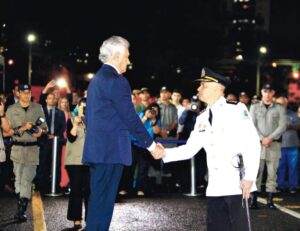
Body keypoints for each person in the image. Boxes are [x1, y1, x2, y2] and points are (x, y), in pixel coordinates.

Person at [160, 67, 261, 231]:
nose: (198, 89)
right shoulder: (202, 117)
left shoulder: (236, 109)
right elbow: (190, 149)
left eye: (203, 85)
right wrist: (164, 153)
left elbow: (252, 143)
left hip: (237, 184)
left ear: (216, 88)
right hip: (214, 187)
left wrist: (250, 177)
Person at [82, 35, 164, 231]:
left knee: (98, 204)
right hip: (110, 152)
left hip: (99, 151)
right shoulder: (117, 81)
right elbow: (130, 118)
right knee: (102, 206)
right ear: (117, 55)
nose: (128, 60)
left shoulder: (97, 79)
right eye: (127, 56)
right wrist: (152, 145)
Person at [5, 84, 48, 222]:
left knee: (27, 179)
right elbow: (7, 131)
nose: (26, 95)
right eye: (23, 93)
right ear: (18, 94)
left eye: (28, 92)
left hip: (32, 149)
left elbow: (45, 128)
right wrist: (23, 128)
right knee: (18, 180)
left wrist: (40, 132)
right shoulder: (11, 110)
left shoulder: (38, 108)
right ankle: (20, 207)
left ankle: (21, 211)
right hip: (17, 149)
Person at [249, 83, 287, 209]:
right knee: (256, 173)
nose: (267, 94)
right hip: (258, 145)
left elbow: (282, 126)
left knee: (272, 173)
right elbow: (251, 125)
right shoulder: (254, 107)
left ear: (273, 93)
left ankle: (270, 201)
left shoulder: (280, 108)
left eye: (270, 91)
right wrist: (261, 138)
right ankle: (253, 200)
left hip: (273, 145)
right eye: (265, 91)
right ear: (261, 92)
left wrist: (269, 138)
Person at [63, 97, 89, 231]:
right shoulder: (72, 120)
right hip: (75, 162)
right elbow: (71, 137)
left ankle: (90, 222)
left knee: (90, 192)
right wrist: (76, 123)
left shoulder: (93, 122)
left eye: (87, 107)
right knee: (76, 191)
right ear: (77, 107)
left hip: (90, 161)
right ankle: (76, 221)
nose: (84, 109)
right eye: (82, 106)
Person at [276, 96, 299, 193]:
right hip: (278, 146)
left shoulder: (293, 114)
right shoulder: (273, 115)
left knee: (293, 167)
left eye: (283, 103)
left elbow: (299, 126)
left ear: (286, 104)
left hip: (292, 145)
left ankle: (293, 186)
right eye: (279, 103)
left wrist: (291, 126)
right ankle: (280, 186)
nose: (281, 105)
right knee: (280, 167)